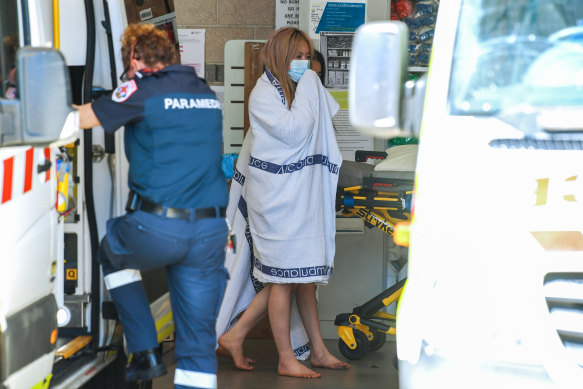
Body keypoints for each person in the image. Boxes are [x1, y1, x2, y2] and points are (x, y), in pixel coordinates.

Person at [76, 24, 229, 388]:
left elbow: (79, 120)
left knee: (112, 250)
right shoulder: (203, 91)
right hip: (209, 234)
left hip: (157, 229)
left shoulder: (141, 89)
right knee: (197, 345)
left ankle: (143, 350)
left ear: (134, 58)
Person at [216, 27, 349, 379]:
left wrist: (306, 84)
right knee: (284, 278)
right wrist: (310, 83)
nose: (305, 64)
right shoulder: (264, 94)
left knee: (302, 275)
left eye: (308, 57)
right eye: (299, 57)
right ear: (279, 56)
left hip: (298, 198)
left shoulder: (293, 90)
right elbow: (293, 132)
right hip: (276, 203)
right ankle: (283, 356)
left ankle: (317, 351)